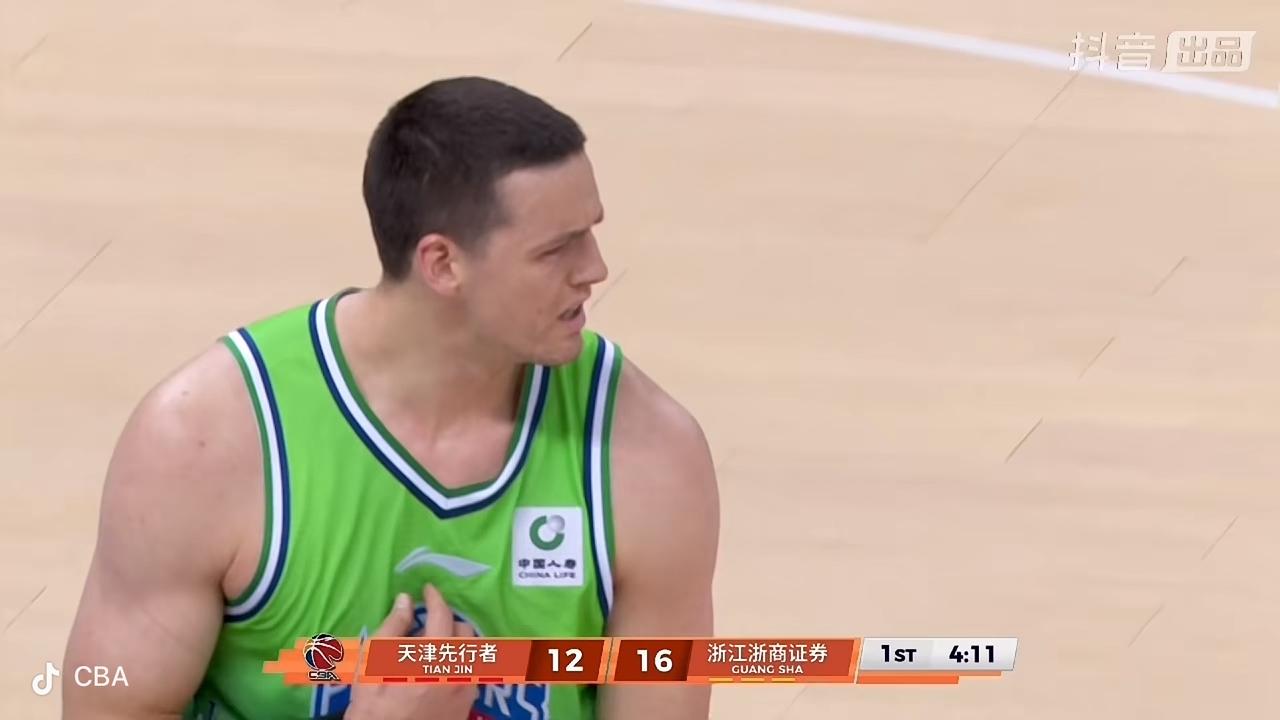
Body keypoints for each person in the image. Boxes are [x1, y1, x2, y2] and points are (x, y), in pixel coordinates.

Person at [62, 76, 720, 720]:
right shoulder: (207, 441)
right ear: (443, 264)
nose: (595, 268)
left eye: (590, 231)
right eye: (555, 249)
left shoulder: (648, 456)